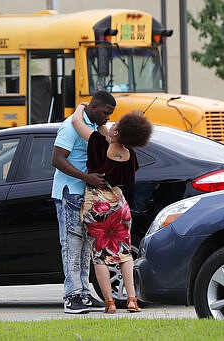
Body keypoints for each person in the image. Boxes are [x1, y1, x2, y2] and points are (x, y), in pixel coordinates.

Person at [71, 103, 152, 314]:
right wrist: (117, 132)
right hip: (119, 205)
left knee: (99, 256)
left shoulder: (98, 144)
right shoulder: (130, 155)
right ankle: (132, 300)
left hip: (96, 204)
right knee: (125, 254)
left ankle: (110, 303)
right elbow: (110, 135)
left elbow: (76, 122)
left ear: (116, 131)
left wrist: (80, 107)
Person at [51, 90, 116, 314]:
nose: (108, 117)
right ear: (95, 107)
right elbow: (57, 159)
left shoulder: (94, 126)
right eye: (106, 113)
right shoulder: (71, 126)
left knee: (86, 247)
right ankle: (72, 297)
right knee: (71, 245)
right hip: (70, 193)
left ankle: (84, 295)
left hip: (87, 194)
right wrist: (86, 177)